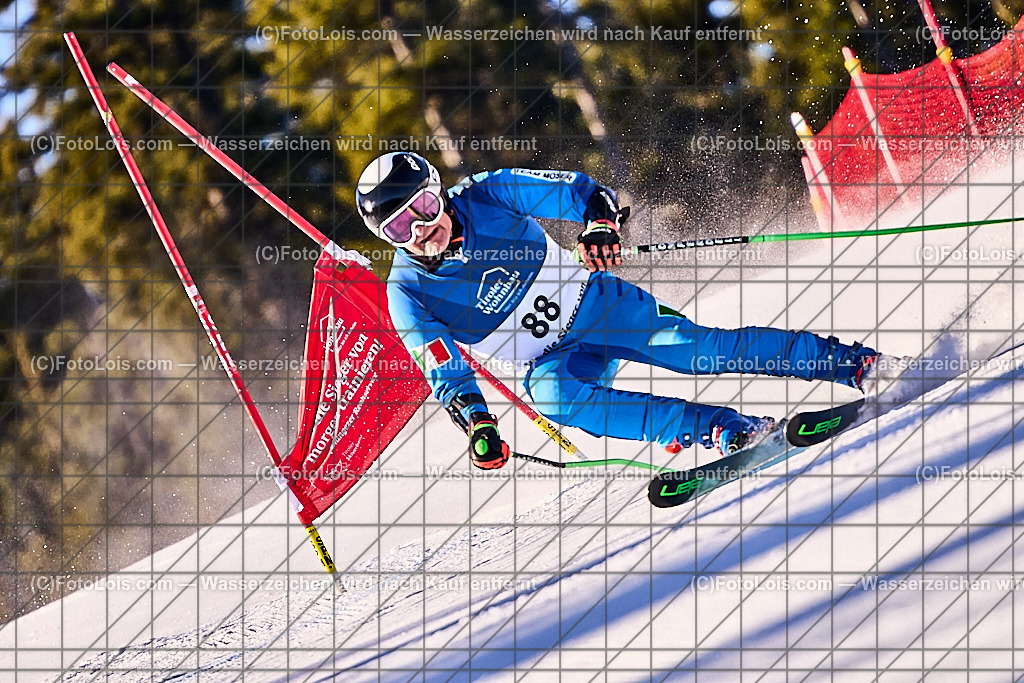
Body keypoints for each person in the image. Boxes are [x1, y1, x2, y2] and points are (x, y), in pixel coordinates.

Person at [356, 152, 881, 470]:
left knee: (698, 352)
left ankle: (850, 364)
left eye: (423, 208)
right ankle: (725, 429)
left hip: (598, 308)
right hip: (551, 363)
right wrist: (478, 426)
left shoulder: (487, 194)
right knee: (554, 399)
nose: (422, 229)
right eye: (400, 228)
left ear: (437, 194)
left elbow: (581, 193)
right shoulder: (407, 292)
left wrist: (599, 226)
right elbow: (445, 370)